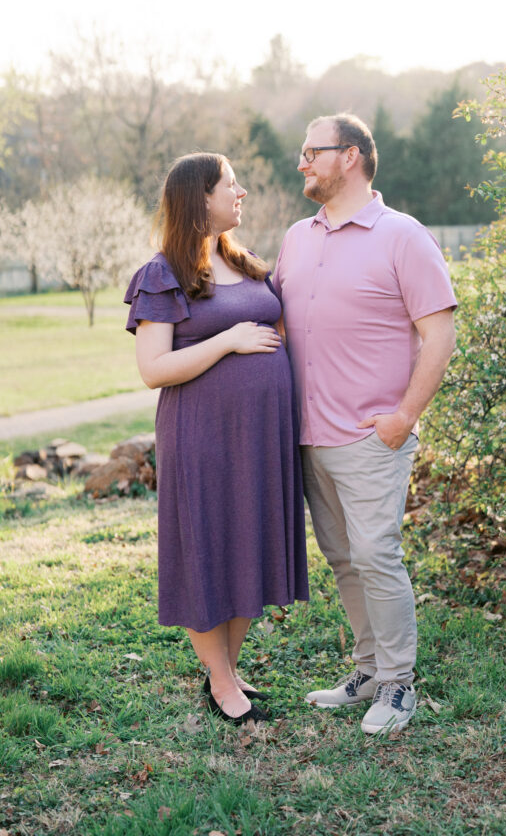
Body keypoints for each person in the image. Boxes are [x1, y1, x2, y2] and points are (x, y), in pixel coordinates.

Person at [274, 113, 457, 735]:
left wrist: (404, 416)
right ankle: (369, 669)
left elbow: (440, 332)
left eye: (311, 151)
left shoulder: (402, 235)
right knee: (344, 560)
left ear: (349, 156)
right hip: (307, 436)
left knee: (377, 556)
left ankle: (400, 685)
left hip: (370, 437)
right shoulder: (297, 237)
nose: (302, 162)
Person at [124, 152, 308, 726]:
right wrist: (227, 341)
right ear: (199, 198)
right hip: (201, 435)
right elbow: (154, 369)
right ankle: (221, 680)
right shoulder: (165, 274)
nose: (242, 191)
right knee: (206, 543)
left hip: (261, 437)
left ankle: (228, 666)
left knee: (247, 540)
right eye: (231, 184)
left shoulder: (246, 263)